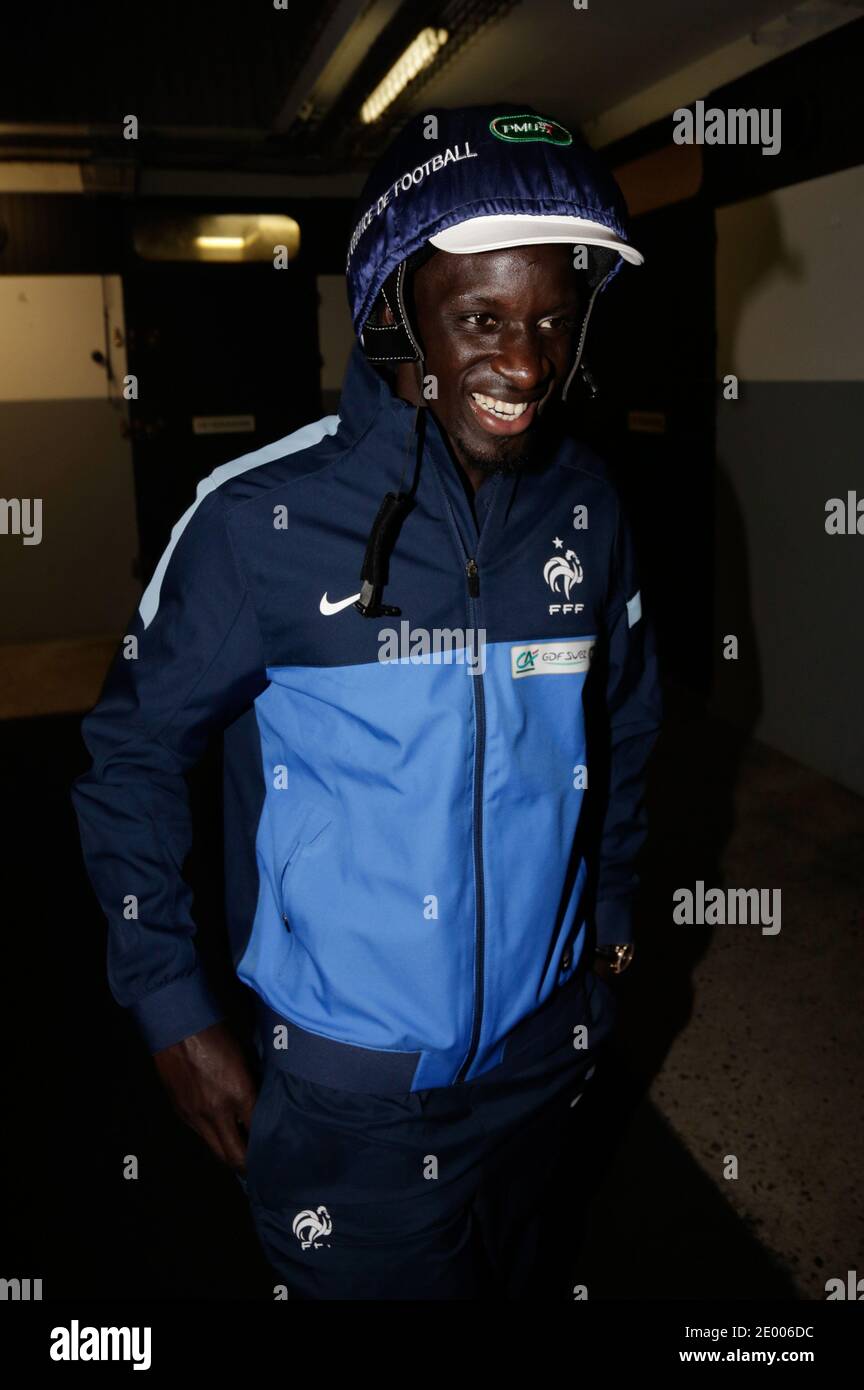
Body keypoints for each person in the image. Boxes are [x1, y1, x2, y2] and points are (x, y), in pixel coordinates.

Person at [71, 102, 662, 1300]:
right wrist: (172, 1004)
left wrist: (608, 915)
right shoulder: (255, 523)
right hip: (355, 1105)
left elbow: (625, 725)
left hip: (546, 1062)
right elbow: (129, 753)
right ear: (396, 306)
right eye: (483, 319)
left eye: (553, 319)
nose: (530, 363)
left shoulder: (589, 507)